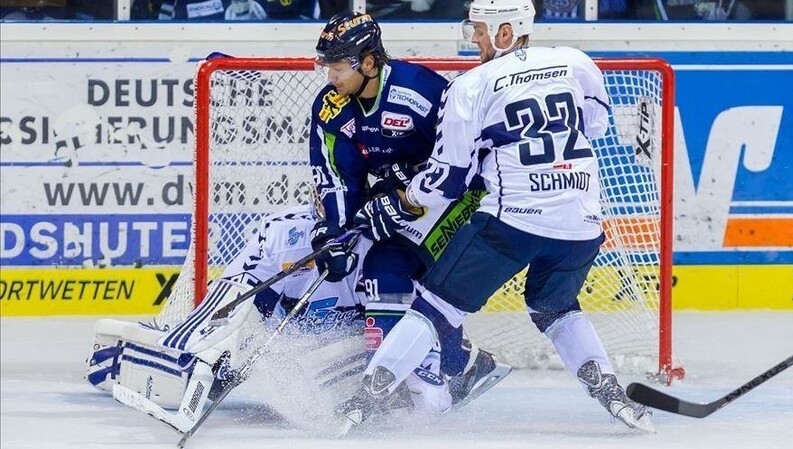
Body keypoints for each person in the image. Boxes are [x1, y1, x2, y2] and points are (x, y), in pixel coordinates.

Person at [343, 0, 655, 433]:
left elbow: (447, 183)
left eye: (479, 30)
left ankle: (362, 400)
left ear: (505, 33)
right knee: (556, 308)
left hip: (513, 223)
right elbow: (595, 127)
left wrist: (400, 198)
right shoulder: (576, 62)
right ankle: (613, 397)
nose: (473, 38)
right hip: (582, 223)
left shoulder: (472, 85)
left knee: (435, 307)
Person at [308, 10, 511, 424]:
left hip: (454, 200)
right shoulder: (331, 110)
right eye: (325, 64)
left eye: (337, 64)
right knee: (379, 275)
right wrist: (332, 230)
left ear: (368, 62)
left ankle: (432, 371)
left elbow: (464, 161)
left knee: (403, 271)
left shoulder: (420, 90)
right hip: (398, 202)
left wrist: (405, 200)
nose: (329, 75)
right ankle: (457, 365)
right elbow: (335, 179)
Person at [85, 204, 454, 431]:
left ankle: (457, 364)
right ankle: (152, 357)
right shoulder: (282, 232)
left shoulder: (388, 252)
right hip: (274, 330)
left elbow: (406, 322)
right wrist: (210, 346)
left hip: (344, 345)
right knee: (199, 356)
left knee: (339, 389)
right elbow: (232, 294)